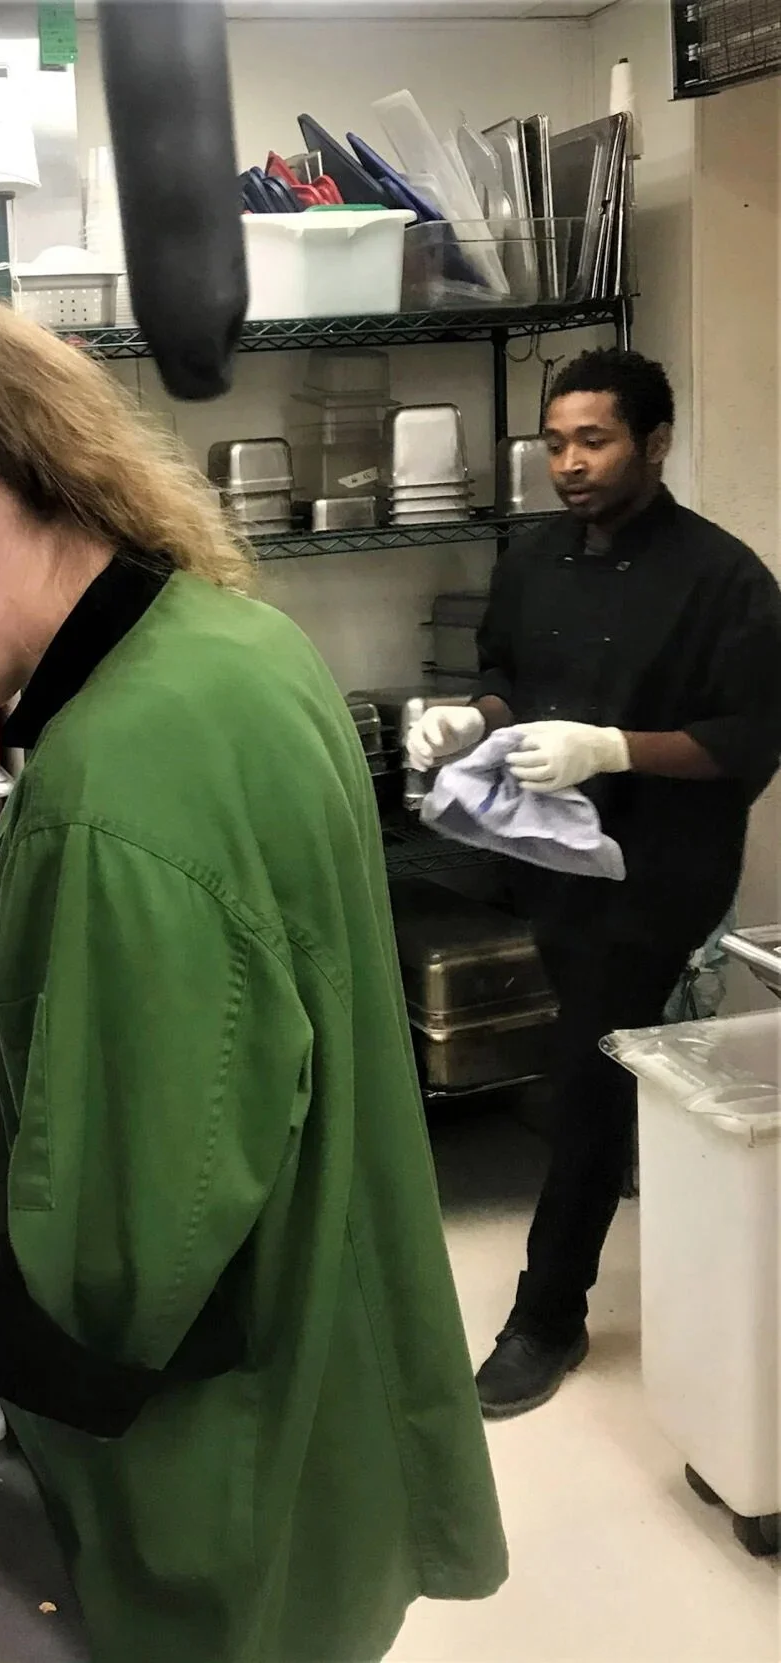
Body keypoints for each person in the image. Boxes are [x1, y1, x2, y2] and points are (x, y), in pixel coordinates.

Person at [0, 285, 507, 1663]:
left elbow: (111, 1295)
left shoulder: (117, 789)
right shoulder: (226, 645)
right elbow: (244, 1028)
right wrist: (26, 1125)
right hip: (332, 1368)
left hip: (223, 1460)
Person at [408, 348, 781, 1420]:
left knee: (588, 1064)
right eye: (555, 441)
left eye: (593, 439)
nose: (567, 463)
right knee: (597, 1056)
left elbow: (747, 740)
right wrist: (466, 719)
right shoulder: (530, 560)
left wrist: (612, 748)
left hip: (658, 867)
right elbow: (503, 677)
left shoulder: (724, 581)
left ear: (653, 443)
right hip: (547, 859)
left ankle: (546, 1315)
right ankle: (621, 1179)